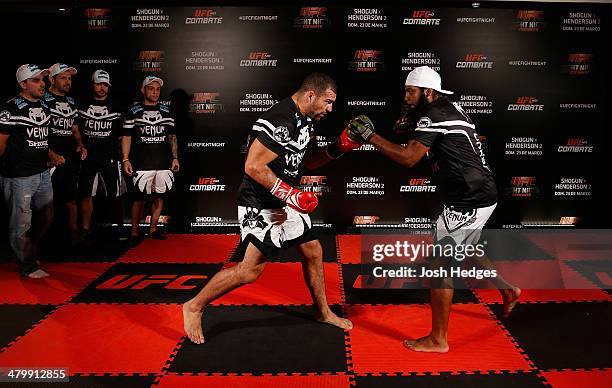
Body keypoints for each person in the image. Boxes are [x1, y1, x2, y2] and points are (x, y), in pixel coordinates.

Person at [182, 72, 370, 344]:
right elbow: (253, 166)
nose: (330, 109)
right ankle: (194, 305)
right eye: (328, 102)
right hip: (260, 203)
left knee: (313, 250)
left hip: (283, 199)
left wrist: (339, 147)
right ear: (310, 95)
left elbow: (306, 164)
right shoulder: (280, 119)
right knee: (250, 271)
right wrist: (290, 193)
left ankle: (322, 311)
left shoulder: (305, 120)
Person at [354, 66, 521, 352]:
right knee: (468, 248)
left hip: (470, 199)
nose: (406, 96)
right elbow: (419, 130)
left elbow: (408, 158)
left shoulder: (435, 115)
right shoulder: (444, 107)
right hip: (472, 193)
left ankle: (438, 339)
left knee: (439, 265)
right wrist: (409, 121)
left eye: (411, 91)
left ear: (428, 92)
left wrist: (370, 137)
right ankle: (509, 290)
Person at [0, 64, 65, 277]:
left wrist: (51, 155)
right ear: (23, 84)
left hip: (42, 172)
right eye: (36, 80)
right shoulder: (10, 108)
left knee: (47, 216)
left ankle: (29, 250)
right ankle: (26, 265)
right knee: (21, 222)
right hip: (18, 176)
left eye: (43, 80)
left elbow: (40, 139)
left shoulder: (45, 106)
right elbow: (1, 142)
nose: (43, 84)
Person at [121, 76, 179, 242]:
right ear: (143, 90)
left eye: (157, 89)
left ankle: (153, 229)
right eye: (151, 88)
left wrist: (175, 158)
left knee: (159, 196)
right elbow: (126, 136)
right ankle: (134, 232)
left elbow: (172, 136)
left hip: (163, 161)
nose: (154, 92)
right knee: (138, 198)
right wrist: (126, 159)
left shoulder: (167, 111)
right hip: (141, 161)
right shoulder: (133, 111)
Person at [75, 70, 124, 241]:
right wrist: (80, 145)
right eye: (99, 84)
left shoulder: (117, 107)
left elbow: (123, 134)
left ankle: (119, 228)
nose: (102, 88)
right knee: (85, 193)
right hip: (87, 157)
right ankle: (86, 228)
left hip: (110, 156)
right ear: (92, 84)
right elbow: (75, 129)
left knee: (115, 194)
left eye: (105, 85)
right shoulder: (81, 105)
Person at [45, 63, 87, 245]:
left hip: (68, 157)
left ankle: (74, 235)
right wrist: (50, 154)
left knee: (70, 198)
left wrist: (81, 145)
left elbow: (75, 128)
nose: (68, 81)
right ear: (51, 79)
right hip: (47, 159)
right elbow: (35, 131)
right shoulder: (42, 99)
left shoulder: (71, 102)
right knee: (45, 201)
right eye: (63, 77)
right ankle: (43, 239)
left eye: (69, 78)